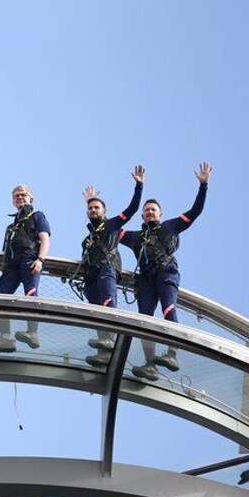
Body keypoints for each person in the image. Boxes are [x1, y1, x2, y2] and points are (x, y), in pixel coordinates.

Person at [119, 163, 212, 381]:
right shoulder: (135, 237)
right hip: (146, 280)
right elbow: (112, 230)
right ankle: (149, 364)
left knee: (168, 309)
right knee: (145, 320)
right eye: (147, 210)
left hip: (166, 272)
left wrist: (203, 185)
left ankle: (172, 354)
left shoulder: (170, 227)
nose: (150, 212)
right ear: (142, 216)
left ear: (160, 214)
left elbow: (195, 211)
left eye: (153, 210)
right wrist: (138, 189)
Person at [79, 166, 145, 367]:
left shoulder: (112, 225)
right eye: (90, 209)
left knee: (108, 304)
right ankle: (103, 351)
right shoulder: (89, 237)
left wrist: (139, 186)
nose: (92, 210)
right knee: (96, 311)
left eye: (96, 208)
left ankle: (110, 342)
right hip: (91, 275)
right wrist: (89, 201)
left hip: (107, 269)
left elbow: (132, 209)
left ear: (104, 211)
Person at [0, 184, 51, 353]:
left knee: (31, 294)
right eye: (16, 196)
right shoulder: (11, 228)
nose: (19, 197)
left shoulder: (37, 216)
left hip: (30, 258)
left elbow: (45, 239)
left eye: (23, 195)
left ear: (31, 198)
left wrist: (40, 259)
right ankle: (5, 338)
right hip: (12, 265)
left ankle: (32, 332)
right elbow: (5, 256)